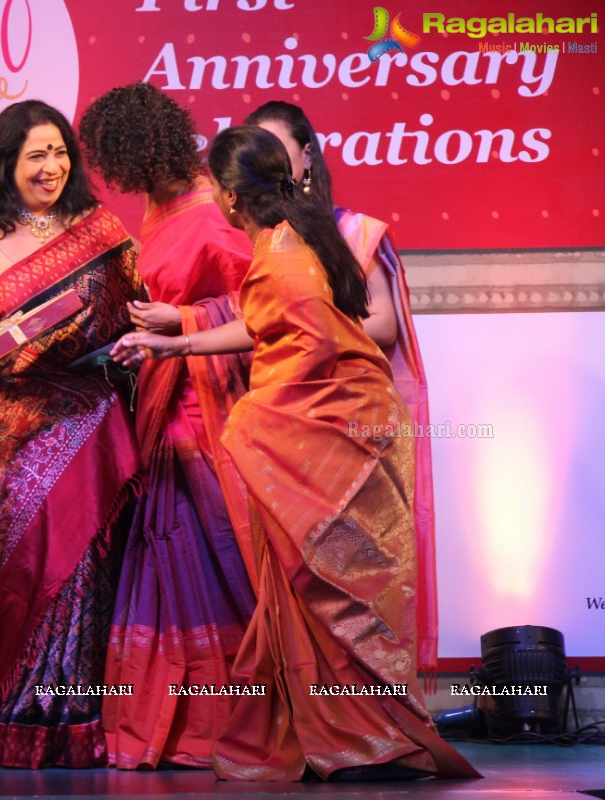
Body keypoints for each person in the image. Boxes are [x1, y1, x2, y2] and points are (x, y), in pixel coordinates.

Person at [112, 126, 479, 781]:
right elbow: (270, 330)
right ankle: (346, 736)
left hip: (328, 439)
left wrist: (250, 420)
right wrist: (175, 344)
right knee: (326, 593)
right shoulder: (295, 241)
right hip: (343, 430)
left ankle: (369, 741)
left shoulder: (280, 257)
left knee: (333, 592)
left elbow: (309, 353)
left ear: (228, 197)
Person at [0, 100, 144, 769]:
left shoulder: (99, 226)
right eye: (35, 157)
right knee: (39, 558)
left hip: (98, 408)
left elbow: (137, 302)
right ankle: (22, 711)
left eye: (59, 154)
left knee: (95, 561)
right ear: (6, 164)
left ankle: (86, 715)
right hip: (23, 416)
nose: (51, 168)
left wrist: (136, 342)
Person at [78, 83, 256, 769]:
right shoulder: (160, 205)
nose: (119, 181)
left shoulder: (218, 213)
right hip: (160, 391)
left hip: (206, 409)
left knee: (209, 551)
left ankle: (234, 721)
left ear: (141, 152)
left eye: (118, 162)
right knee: (167, 553)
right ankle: (175, 727)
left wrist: (179, 325)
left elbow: (262, 311)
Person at [246, 101, 439, 680]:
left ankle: (369, 713)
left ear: (307, 158)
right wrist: (180, 335)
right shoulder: (265, 240)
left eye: (282, 155)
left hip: (346, 423)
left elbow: (382, 324)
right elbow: (256, 323)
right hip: (289, 427)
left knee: (352, 568)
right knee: (299, 570)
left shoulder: (349, 230)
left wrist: (312, 321)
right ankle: (314, 710)